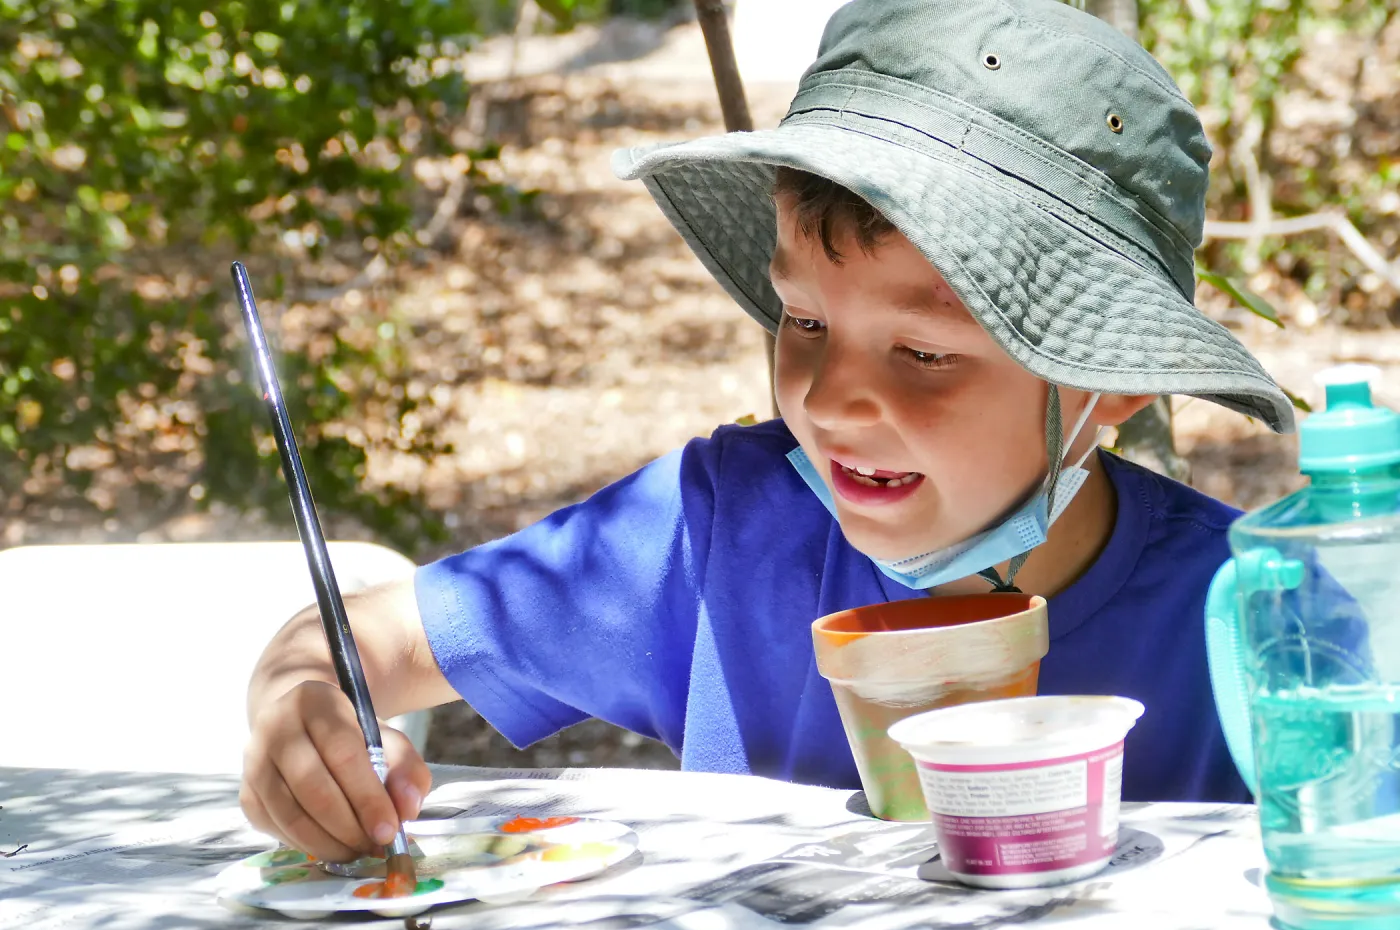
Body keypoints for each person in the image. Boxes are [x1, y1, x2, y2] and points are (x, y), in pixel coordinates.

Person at [238, 0, 1294, 862]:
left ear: (1108, 383)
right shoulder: (714, 539)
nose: (830, 400)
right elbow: (353, 641)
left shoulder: (1257, 621)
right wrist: (300, 707)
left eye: (922, 352)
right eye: (803, 321)